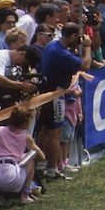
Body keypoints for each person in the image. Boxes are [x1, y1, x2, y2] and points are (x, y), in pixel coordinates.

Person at [37, 22, 93, 179]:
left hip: (47, 90)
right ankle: (52, 169)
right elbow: (85, 65)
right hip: (55, 93)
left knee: (44, 129)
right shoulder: (59, 52)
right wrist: (87, 47)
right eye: (79, 37)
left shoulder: (53, 44)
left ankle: (40, 164)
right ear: (74, 36)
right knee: (55, 132)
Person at [0, 106, 47, 205]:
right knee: (30, 159)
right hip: (10, 174)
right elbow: (41, 156)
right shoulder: (26, 138)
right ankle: (25, 194)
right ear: (25, 123)